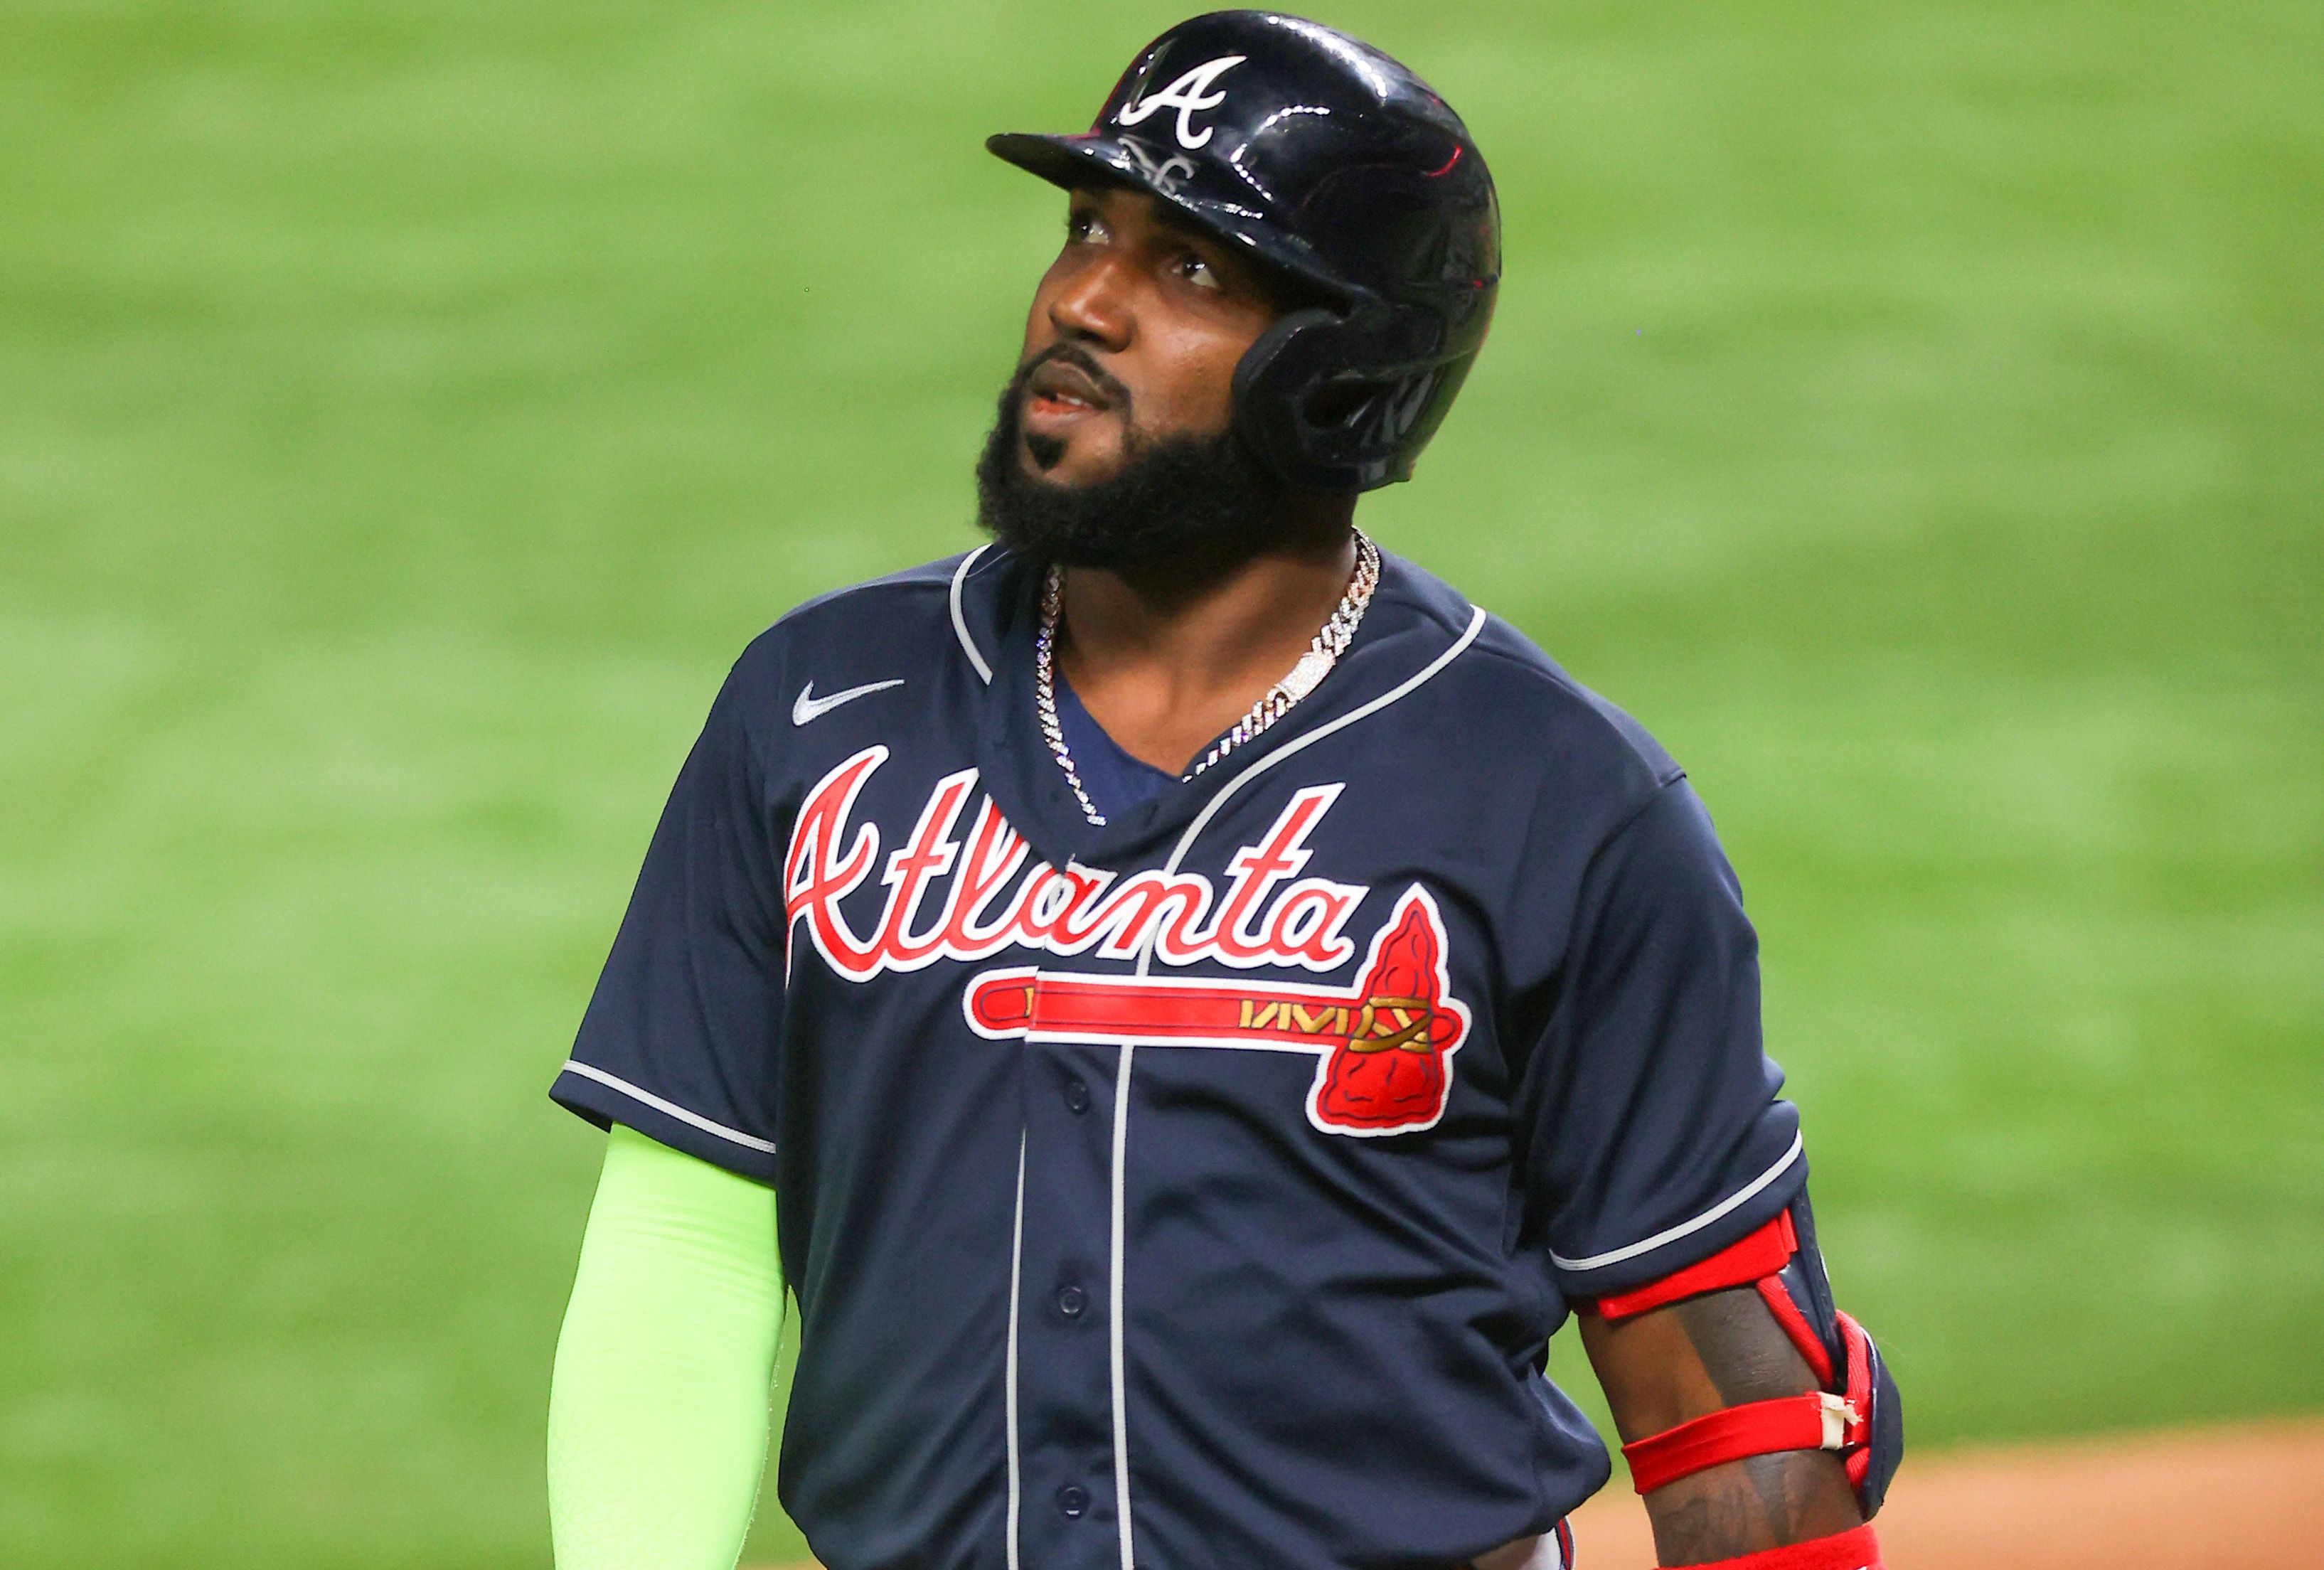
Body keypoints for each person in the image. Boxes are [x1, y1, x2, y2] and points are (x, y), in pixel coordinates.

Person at [544, 12, 1902, 1570]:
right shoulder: (820, 705)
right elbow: (685, 1240)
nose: (1083, 300)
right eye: (1085, 229)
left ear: (1343, 368)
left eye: (1188, 266)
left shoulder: (1556, 800)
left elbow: (1732, 1407)